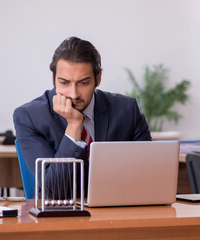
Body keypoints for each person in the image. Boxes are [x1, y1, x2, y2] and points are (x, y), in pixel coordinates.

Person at [13, 36, 151, 198]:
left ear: (98, 79)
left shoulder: (128, 110)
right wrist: (73, 125)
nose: (74, 94)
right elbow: (54, 192)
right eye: (64, 83)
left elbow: (150, 174)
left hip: (119, 208)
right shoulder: (29, 117)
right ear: (54, 79)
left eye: (83, 83)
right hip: (63, 217)